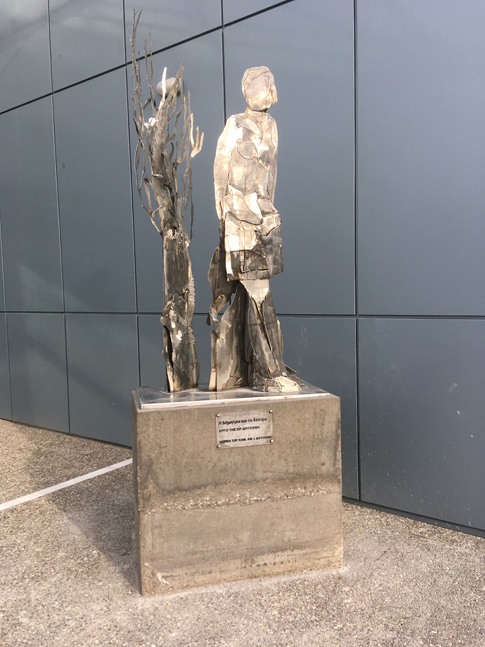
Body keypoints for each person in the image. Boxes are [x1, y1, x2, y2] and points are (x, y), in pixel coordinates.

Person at [207, 66, 300, 392]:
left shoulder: (271, 126)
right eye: (260, 84)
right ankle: (269, 374)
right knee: (259, 294)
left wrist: (267, 213)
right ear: (247, 89)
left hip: (264, 219)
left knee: (257, 294)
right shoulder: (235, 124)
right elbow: (220, 177)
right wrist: (229, 219)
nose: (265, 91)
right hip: (239, 220)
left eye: (268, 85)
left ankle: (254, 371)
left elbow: (271, 175)